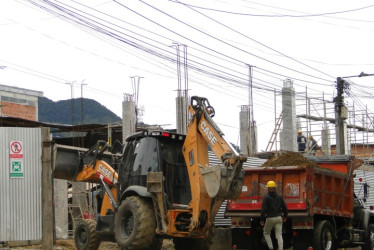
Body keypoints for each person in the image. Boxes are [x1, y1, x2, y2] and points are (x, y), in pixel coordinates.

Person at [260, 181, 288, 250]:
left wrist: (262, 219)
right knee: (279, 235)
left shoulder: (266, 198)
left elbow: (263, 209)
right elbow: (285, 208)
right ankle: (280, 248)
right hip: (279, 218)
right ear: (275, 188)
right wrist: (285, 216)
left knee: (266, 233)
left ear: (268, 188)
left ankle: (271, 247)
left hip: (270, 218)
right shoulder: (279, 197)